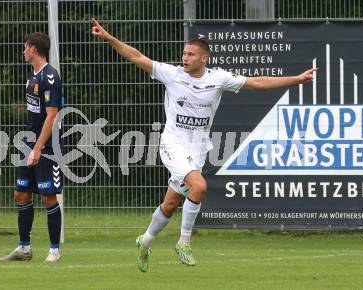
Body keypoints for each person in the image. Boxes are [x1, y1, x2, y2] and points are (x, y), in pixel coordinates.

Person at [92, 18, 316, 272]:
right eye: (184, 53)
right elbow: (136, 56)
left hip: (197, 149)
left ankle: (145, 241)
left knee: (170, 204)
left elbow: (257, 83)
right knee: (199, 186)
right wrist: (110, 38)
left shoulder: (218, 78)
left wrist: (297, 79)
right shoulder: (172, 74)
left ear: (204, 59)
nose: (185, 58)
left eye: (191, 54)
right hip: (172, 143)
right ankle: (184, 242)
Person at [0, 32, 64, 262]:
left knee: (48, 197)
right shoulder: (32, 77)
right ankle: (24, 248)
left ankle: (55, 250)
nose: (24, 51)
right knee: (21, 192)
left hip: (48, 146)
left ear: (35, 49)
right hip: (30, 143)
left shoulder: (50, 77)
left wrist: (38, 147)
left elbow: (52, 116)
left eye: (26, 47)